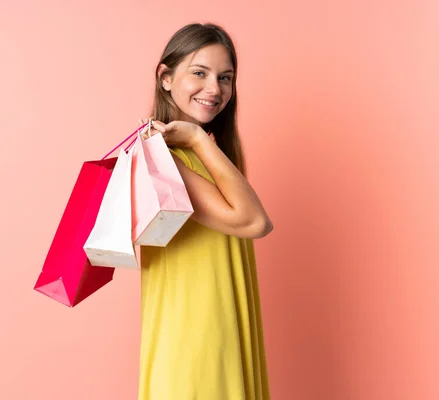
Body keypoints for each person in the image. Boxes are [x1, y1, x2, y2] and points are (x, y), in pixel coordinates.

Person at [138, 23, 273, 400]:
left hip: (217, 329)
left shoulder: (204, 158)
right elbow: (254, 222)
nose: (215, 89)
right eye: (199, 73)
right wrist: (197, 137)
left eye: (225, 77)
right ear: (165, 77)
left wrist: (201, 143)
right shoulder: (162, 158)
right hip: (196, 339)